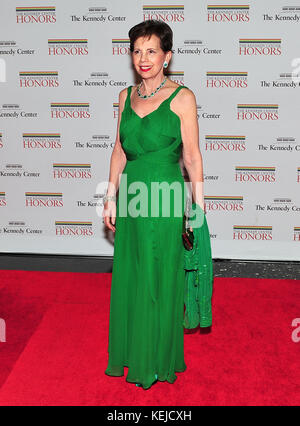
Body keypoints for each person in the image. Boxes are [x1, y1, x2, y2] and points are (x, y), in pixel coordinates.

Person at [103, 19, 205, 390]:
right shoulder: (124, 96)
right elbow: (118, 150)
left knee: (159, 278)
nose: (143, 59)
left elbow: (192, 158)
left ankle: (158, 359)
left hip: (164, 199)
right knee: (132, 277)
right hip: (131, 198)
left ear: (167, 56)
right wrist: (110, 195)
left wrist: (197, 209)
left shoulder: (183, 97)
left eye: (152, 51)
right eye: (137, 51)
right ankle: (132, 354)